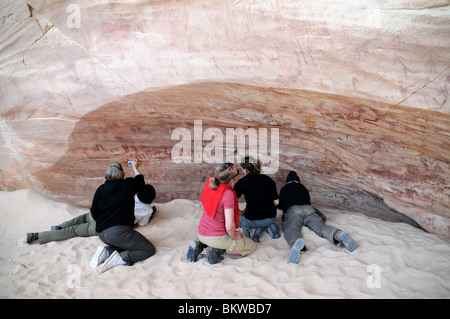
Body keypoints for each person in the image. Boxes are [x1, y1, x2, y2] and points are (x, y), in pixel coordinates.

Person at [25, 184, 157, 245]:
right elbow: (142, 224)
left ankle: (59, 226)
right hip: (106, 226)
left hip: (101, 215)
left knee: (83, 217)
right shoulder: (147, 211)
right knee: (73, 231)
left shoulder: (127, 195)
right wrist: (151, 212)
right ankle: (37, 236)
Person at [90, 160, 156, 273]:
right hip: (117, 232)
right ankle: (120, 259)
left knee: (126, 243)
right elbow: (140, 181)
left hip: (102, 234)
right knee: (148, 249)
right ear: (121, 173)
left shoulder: (100, 189)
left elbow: (94, 213)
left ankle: (107, 251)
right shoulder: (127, 185)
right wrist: (135, 168)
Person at [278, 171, 357, 264]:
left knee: (291, 228)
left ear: (288, 181)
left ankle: (296, 243)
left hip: (294, 210)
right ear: (298, 180)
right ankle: (338, 234)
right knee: (320, 227)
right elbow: (308, 200)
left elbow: (280, 205)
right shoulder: (303, 188)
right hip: (309, 209)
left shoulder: (284, 189)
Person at [186, 163, 257, 264]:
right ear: (232, 179)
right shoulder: (228, 194)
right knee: (252, 246)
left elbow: (204, 205)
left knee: (218, 239)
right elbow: (229, 227)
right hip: (217, 237)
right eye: (237, 172)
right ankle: (216, 250)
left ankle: (201, 244)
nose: (239, 172)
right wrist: (234, 235)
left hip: (202, 232)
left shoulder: (210, 182)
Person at [233, 157, 280, 242]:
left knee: (233, 215)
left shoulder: (242, 182)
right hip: (271, 218)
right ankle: (268, 226)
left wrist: (241, 212)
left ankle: (248, 228)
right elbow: (276, 202)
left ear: (245, 169)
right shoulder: (268, 180)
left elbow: (231, 200)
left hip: (251, 220)